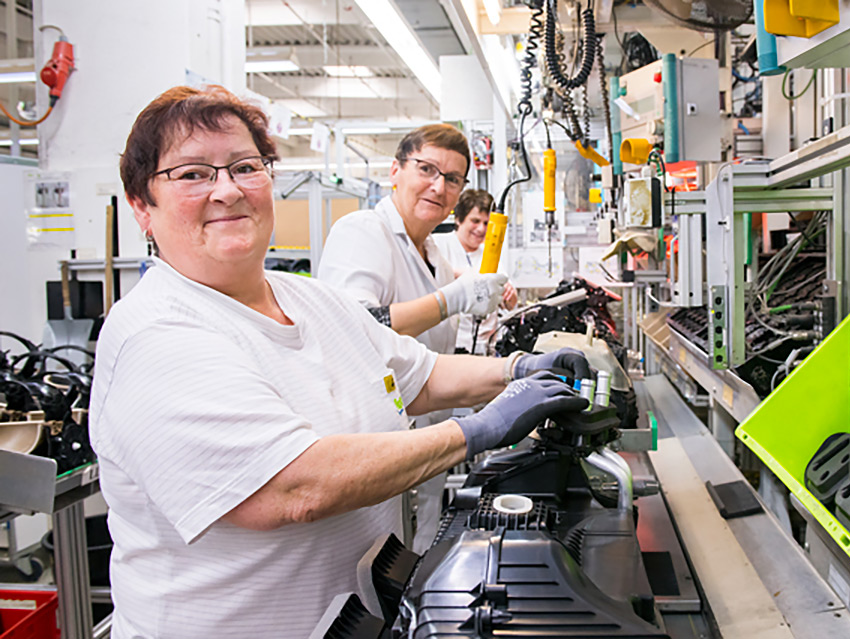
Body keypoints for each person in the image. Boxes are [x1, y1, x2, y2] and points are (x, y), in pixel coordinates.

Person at [90, 85, 592, 638]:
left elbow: (419, 376)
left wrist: (518, 371)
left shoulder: (307, 298)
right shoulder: (158, 333)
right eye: (192, 174)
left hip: (358, 616)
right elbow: (294, 487)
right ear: (142, 205)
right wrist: (476, 431)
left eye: (244, 167)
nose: (227, 190)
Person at [317, 125, 508, 550]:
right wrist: (452, 299)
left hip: (424, 443)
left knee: (416, 554)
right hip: (374, 446)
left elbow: (429, 360)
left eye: (453, 178)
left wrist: (507, 377)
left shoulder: (436, 256)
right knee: (373, 566)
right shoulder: (364, 231)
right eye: (426, 169)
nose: (438, 186)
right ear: (396, 171)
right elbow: (356, 326)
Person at [434, 189, 519, 354]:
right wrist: (471, 276)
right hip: (450, 347)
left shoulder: (490, 254)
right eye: (475, 221)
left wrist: (510, 295)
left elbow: (510, 304)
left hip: (486, 347)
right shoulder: (439, 245)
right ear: (458, 220)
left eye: (487, 223)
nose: (481, 229)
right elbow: (434, 275)